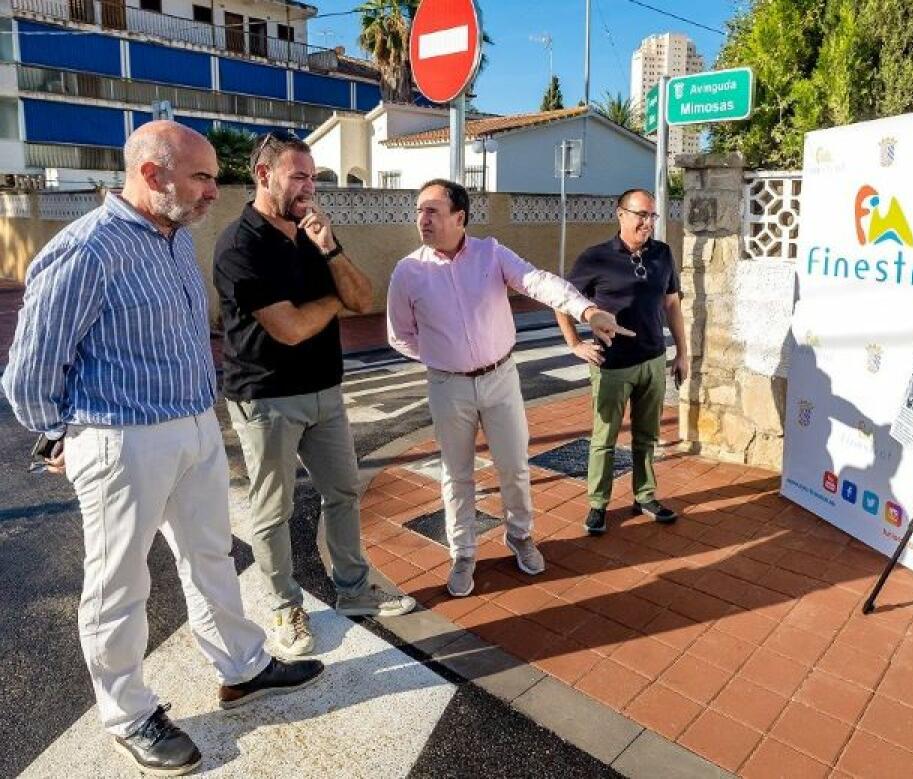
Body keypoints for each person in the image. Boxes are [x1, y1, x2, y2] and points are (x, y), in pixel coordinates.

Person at [2, 121, 323, 776]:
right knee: (120, 582)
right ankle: (127, 713)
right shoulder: (85, 251)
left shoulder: (176, 240)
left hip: (194, 428)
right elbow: (28, 374)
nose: (214, 191)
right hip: (122, 439)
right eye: (201, 177)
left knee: (210, 554)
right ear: (151, 174)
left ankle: (242, 667)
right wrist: (61, 433)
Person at [214, 132, 415, 657]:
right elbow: (292, 328)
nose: (310, 187)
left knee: (343, 492)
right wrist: (335, 302)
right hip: (266, 398)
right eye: (299, 176)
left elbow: (363, 296)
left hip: (326, 390)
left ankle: (353, 591)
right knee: (273, 509)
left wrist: (330, 247)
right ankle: (285, 608)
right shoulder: (240, 245)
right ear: (264, 176)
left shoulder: (312, 234)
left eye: (313, 177)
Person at [387, 179, 632, 597]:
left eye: (432, 210)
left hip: (501, 378)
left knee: (515, 466)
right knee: (456, 474)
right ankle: (463, 553)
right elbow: (400, 335)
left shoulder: (490, 253)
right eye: (418, 211)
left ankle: (519, 535)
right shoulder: (409, 271)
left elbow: (537, 281)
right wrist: (442, 360)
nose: (421, 219)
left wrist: (587, 309)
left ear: (459, 217)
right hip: (448, 386)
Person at [555, 189, 688, 535]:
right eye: (641, 214)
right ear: (621, 214)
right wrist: (575, 344)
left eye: (653, 216)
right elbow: (561, 300)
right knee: (605, 439)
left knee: (647, 436)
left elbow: (672, 305)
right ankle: (597, 504)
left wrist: (682, 353)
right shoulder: (595, 258)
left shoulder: (662, 254)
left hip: (653, 360)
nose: (648, 222)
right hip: (611, 365)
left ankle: (645, 495)